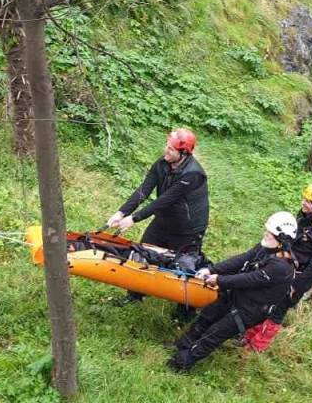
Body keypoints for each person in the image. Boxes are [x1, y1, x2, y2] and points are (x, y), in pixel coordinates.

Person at [167, 212, 298, 372]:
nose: (265, 234)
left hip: (250, 310)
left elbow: (250, 279)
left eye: (269, 233)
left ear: (281, 239)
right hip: (238, 295)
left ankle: (181, 363)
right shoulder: (266, 248)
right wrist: (211, 269)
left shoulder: (281, 267)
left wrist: (219, 280)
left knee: (214, 334)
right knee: (207, 316)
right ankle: (182, 345)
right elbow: (242, 259)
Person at [108, 128, 209, 305]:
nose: (165, 151)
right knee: (143, 254)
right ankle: (135, 296)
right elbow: (143, 190)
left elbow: (164, 200)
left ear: (183, 153)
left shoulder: (193, 174)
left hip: (188, 229)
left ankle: (186, 308)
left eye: (171, 149)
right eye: (166, 146)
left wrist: (134, 219)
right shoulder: (162, 164)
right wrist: (122, 212)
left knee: (185, 266)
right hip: (164, 221)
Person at [241, 182, 312, 351]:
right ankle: (248, 335)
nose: (303, 202)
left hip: (297, 278)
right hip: (282, 268)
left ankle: (257, 346)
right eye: (304, 198)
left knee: (277, 311)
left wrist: (296, 286)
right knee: (264, 302)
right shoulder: (303, 218)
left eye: (307, 200)